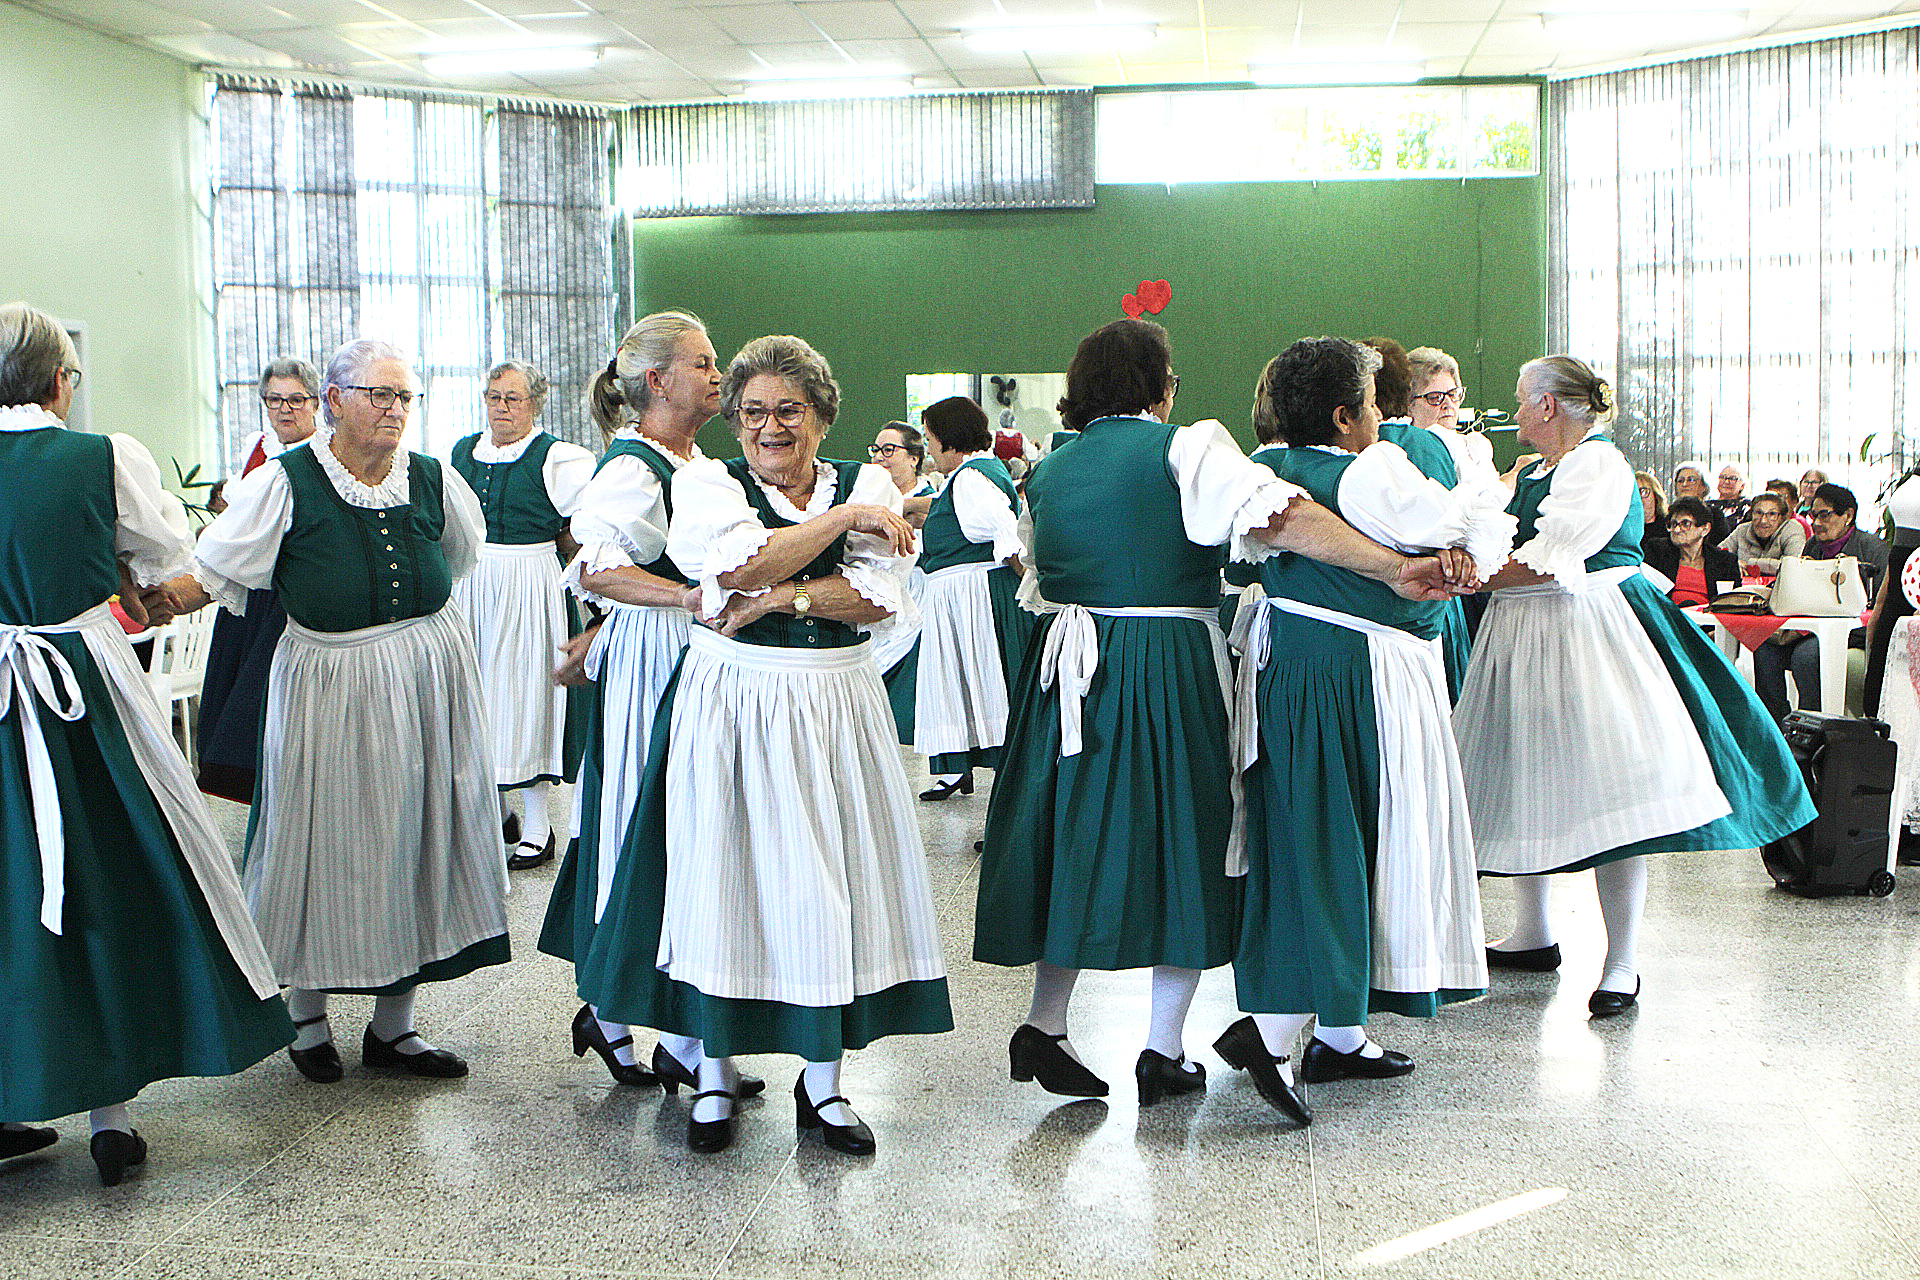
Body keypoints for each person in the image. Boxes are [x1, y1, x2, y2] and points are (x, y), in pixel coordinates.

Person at [974, 318, 1467, 1114]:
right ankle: (1161, 1050)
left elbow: (1037, 570)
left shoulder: (1051, 470)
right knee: (1196, 849)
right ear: (1160, 385)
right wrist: (1390, 567)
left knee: (1075, 843)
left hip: (1064, 668)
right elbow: (1277, 517)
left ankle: (1046, 1022)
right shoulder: (1186, 446)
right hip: (1163, 663)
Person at [577, 335, 950, 1156]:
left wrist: (790, 592)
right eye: (751, 413)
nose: (768, 429)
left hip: (834, 705)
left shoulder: (872, 477)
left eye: (788, 411)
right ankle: (713, 1073)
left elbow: (877, 597)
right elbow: (737, 570)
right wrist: (843, 526)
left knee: (829, 887)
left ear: (821, 416)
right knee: (724, 880)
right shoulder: (712, 480)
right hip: (732, 699)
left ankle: (825, 1087)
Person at [0, 302, 292, 1186]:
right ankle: (112, 1117)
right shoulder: (103, 457)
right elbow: (171, 562)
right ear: (61, 381)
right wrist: (138, 583)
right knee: (116, 872)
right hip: (82, 689)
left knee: (16, 888)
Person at [170, 338, 508, 1082]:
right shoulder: (286, 482)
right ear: (334, 400)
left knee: (418, 835)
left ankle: (395, 1029)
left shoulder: (432, 478)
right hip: (330, 680)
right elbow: (218, 571)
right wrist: (150, 601)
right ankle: (306, 1018)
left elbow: (455, 556)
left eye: (403, 397)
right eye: (377, 395)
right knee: (321, 841)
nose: (393, 410)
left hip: (425, 673)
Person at [1456, 356, 1815, 1017]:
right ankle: (1535, 932)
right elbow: (1489, 533)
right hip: (1527, 630)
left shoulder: (1597, 465)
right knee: (1524, 771)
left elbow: (1550, 555)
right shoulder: (1531, 472)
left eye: (1520, 396)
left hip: (1590, 627)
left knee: (1611, 790)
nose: (1514, 408)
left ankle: (1621, 962)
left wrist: (1458, 576)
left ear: (1547, 406)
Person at [1222, 338, 1510, 1125]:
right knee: (1357, 835)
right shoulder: (1374, 470)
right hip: (1361, 670)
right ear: (1350, 414)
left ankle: (1340, 1033)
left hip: (1293, 661)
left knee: (1319, 828)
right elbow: (1473, 526)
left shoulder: (1268, 469)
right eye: (1378, 405)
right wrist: (1466, 550)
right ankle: (1273, 1028)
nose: (1385, 418)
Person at [539, 310, 744, 1094]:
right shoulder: (633, 466)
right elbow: (592, 565)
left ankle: (658, 1028)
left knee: (681, 823)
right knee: (645, 815)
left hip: (680, 649)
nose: (718, 374)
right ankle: (625, 1009)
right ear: (658, 381)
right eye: (703, 362)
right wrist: (689, 598)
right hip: (659, 659)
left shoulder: (693, 461)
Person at [450, 360, 596, 871]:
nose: (502, 408)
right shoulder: (461, 454)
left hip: (530, 584)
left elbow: (586, 530)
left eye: (513, 398)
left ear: (536, 402)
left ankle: (539, 824)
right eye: (494, 397)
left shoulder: (557, 459)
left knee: (527, 696)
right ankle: (496, 813)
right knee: (477, 696)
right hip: (472, 584)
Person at [195, 358, 323, 803]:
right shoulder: (258, 447)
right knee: (233, 700)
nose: (284, 410)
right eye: (274, 400)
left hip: (287, 596)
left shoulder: (321, 457)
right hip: (246, 592)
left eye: (294, 400)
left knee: (270, 701)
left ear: (315, 404)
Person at [912, 396, 1035, 802]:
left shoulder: (970, 478)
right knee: (967, 689)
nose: (929, 449)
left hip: (975, 602)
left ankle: (1007, 807)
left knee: (987, 689)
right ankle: (962, 772)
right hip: (963, 599)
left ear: (949, 440)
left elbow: (1005, 531)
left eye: (931, 439)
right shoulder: (970, 475)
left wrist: (1028, 588)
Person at [1399, 344, 1509, 697]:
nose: (1447, 405)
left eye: (1453, 394)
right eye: (1434, 398)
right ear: (1409, 403)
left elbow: (1489, 507)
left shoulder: (1473, 445)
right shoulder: (1407, 446)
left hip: (1468, 578)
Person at [1753, 482, 1889, 721]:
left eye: (1824, 515)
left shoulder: (1873, 548)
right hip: (1809, 629)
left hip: (1850, 633)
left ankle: (1811, 726)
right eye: (1813, 515)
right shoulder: (1814, 545)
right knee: (1764, 648)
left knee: (1805, 657)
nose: (1816, 523)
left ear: (1848, 515)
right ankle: (1776, 723)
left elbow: (1878, 603)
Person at [867, 420, 937, 745]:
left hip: (918, 598)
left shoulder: (933, 499)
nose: (880, 457)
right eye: (876, 450)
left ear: (914, 458)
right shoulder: (865, 498)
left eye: (889, 450)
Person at [1644, 497, 1740, 606]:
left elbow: (1734, 603)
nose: (1676, 530)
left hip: (1708, 620)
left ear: (1705, 529)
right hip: (1667, 617)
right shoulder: (1656, 552)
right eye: (1674, 524)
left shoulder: (1725, 561)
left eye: (1685, 524)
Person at [1724, 492, 1806, 577]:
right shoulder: (1742, 530)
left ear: (1782, 518)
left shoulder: (1792, 529)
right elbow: (1717, 556)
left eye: (1772, 514)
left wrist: (1748, 564)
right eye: (1758, 513)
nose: (1763, 520)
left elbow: (1791, 566)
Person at [1671, 462, 1729, 546]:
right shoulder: (1670, 513)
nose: (1684, 484)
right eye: (1680, 481)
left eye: (1691, 480)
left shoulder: (1715, 515)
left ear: (1704, 487)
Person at [1710, 462, 1752, 531]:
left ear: (1742, 485)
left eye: (1733, 478)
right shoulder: (1708, 505)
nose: (1726, 482)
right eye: (1723, 477)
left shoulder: (1746, 506)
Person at [1635, 470, 1669, 554]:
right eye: (1633, 494)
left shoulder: (1669, 528)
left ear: (1655, 495)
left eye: (1643, 492)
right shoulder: (1623, 531)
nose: (1639, 499)